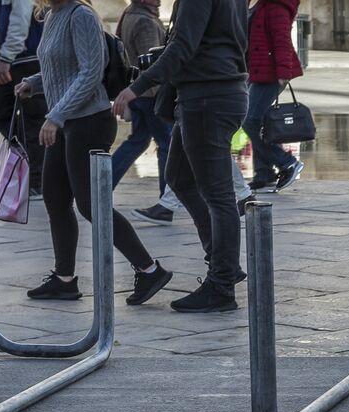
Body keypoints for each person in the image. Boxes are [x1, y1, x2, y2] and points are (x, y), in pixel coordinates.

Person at [15, 0, 171, 305]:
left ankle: (149, 269)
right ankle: (64, 280)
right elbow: (60, 69)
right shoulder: (51, 15)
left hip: (89, 122)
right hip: (66, 119)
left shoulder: (81, 14)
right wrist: (33, 83)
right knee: (55, 198)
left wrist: (55, 116)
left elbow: (90, 73)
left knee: (90, 205)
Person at [113, 0, 248, 314]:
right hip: (211, 92)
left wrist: (138, 86)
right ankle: (221, 261)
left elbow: (184, 47)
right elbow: (208, 40)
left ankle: (221, 283)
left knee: (218, 195)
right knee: (179, 178)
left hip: (207, 97)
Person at [242, 0, 303, 193]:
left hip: (270, 73)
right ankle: (264, 173)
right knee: (259, 122)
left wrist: (283, 72)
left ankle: (287, 162)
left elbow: (282, 39)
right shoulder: (262, 4)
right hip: (258, 71)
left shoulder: (276, 6)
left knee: (250, 121)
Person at [108, 0, 167, 194]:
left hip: (139, 92)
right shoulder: (144, 22)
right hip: (150, 94)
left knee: (139, 140)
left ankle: (104, 182)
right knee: (167, 142)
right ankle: (168, 197)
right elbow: (151, 63)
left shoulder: (130, 15)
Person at [0, 0, 46, 196]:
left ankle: (38, 181)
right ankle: (30, 168)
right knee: (1, 114)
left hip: (27, 58)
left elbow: (20, 20)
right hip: (17, 58)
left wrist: (6, 57)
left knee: (33, 120)